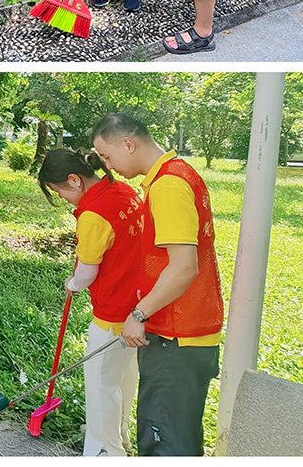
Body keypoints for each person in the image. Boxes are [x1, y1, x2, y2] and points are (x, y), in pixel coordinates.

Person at [91, 113, 223, 456]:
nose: (108, 166)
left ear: (128, 144)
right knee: (179, 436)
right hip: (187, 334)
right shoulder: (178, 173)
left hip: (176, 337)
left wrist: (138, 312)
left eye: (107, 156)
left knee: (163, 441)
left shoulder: (168, 185)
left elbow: (183, 268)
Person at [37, 148, 143, 457]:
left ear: (74, 181)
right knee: (122, 380)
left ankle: (104, 451)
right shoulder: (123, 190)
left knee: (100, 385)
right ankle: (120, 436)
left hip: (112, 314)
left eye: (59, 193)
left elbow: (85, 273)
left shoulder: (94, 214)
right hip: (138, 309)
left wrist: (72, 284)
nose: (64, 199)